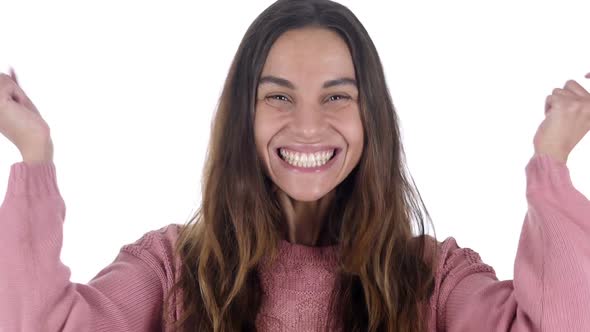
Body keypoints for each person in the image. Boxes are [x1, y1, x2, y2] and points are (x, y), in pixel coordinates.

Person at [1, 0, 589, 331]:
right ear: (243, 119)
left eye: (337, 96)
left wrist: (552, 164)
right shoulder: (171, 271)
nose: (308, 126)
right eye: (278, 96)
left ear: (371, 120)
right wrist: (35, 160)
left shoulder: (431, 280)